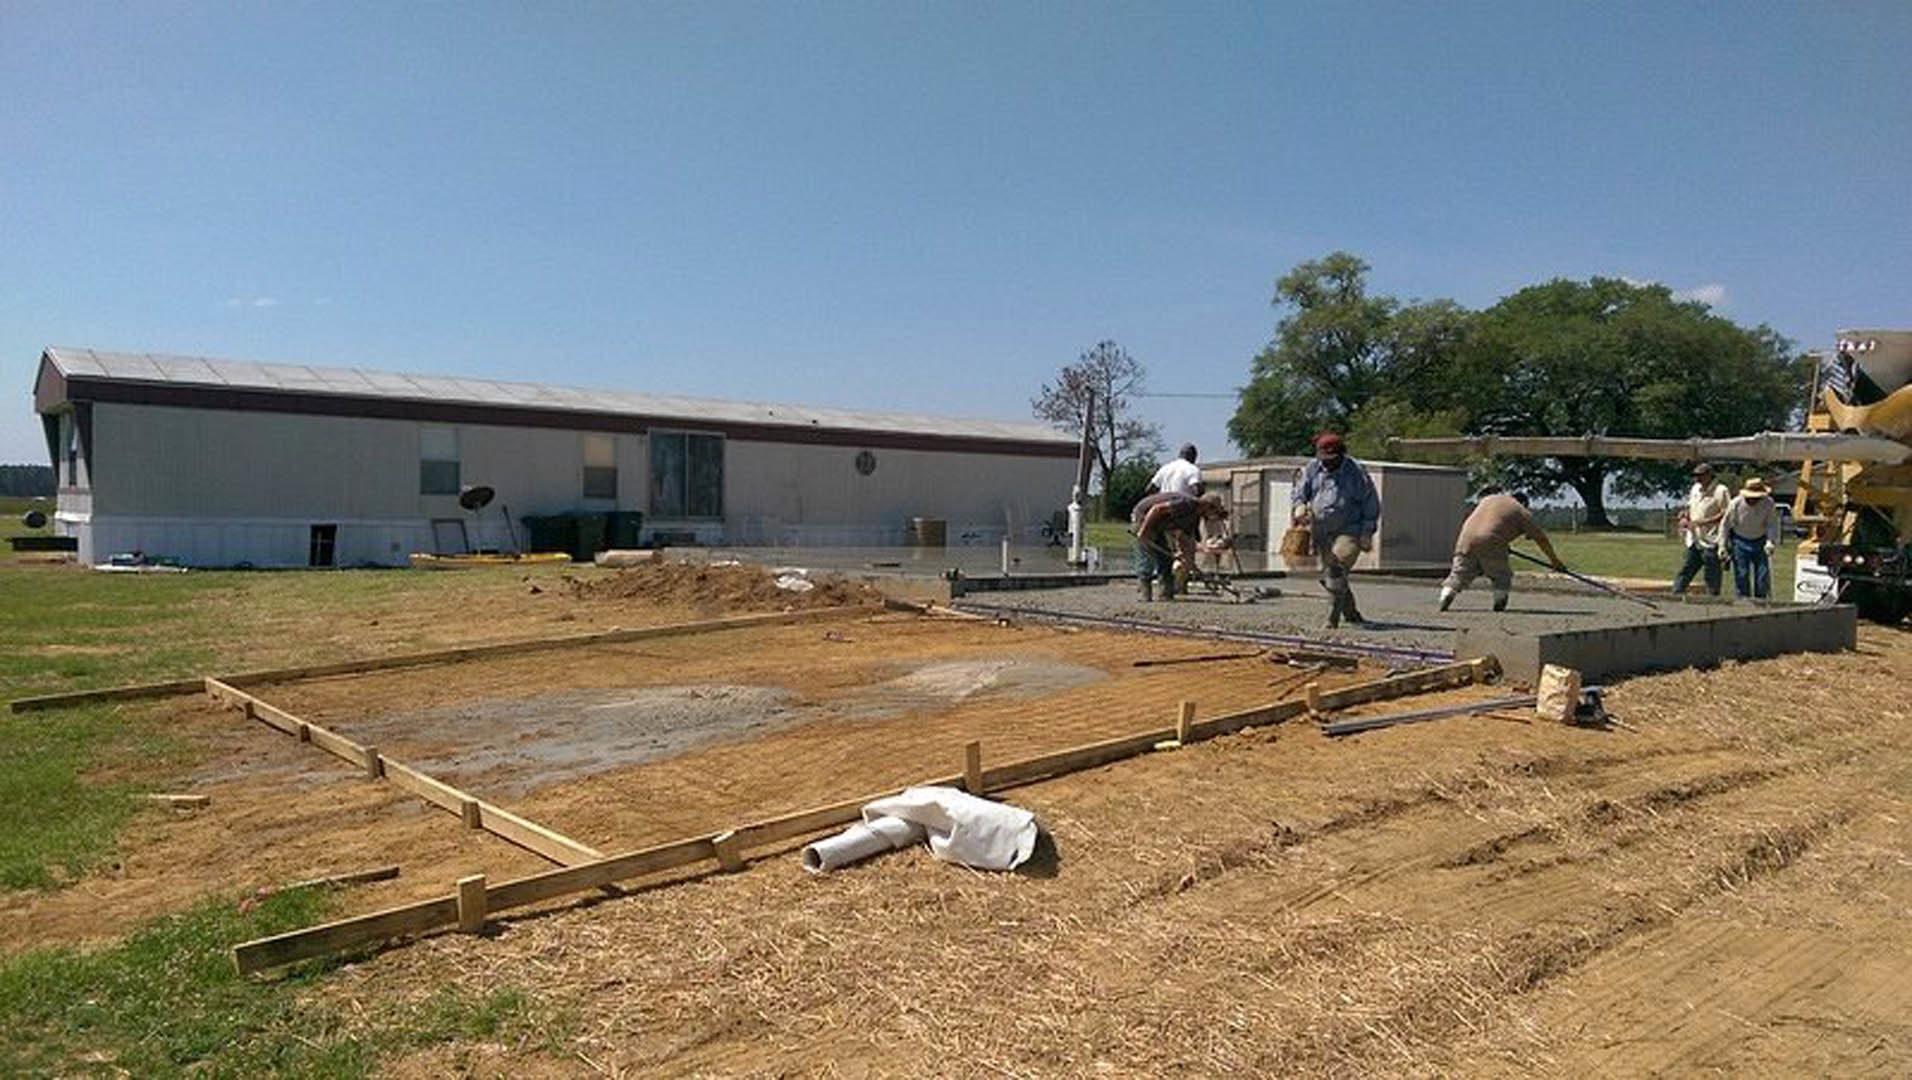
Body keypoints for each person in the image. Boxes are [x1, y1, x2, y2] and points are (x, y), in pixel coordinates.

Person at [1291, 432, 1380, 627]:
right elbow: (1300, 492)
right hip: (1321, 531)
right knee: (1332, 575)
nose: (1329, 463)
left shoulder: (1357, 472)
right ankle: (1350, 612)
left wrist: (1367, 532)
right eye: (1325, 459)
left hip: (1349, 529)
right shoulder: (1312, 469)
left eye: (1334, 459)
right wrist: (1299, 505)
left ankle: (1332, 618)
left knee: (1335, 570)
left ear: (1342, 455)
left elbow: (1370, 503)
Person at [1438, 491, 1566, 612]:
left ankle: (1447, 593)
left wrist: (1501, 545)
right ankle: (1499, 602)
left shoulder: (1488, 500)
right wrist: (1554, 560)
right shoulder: (1521, 510)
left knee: (1460, 573)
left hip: (1465, 540)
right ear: (1524, 504)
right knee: (1501, 576)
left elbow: (1491, 523)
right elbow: (1541, 539)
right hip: (1492, 540)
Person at [1131, 491, 1229, 601]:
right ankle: (1145, 594)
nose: (1212, 516)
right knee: (1146, 556)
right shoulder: (1187, 504)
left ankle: (1165, 594)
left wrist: (1188, 562)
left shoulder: (1194, 517)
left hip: (1159, 524)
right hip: (1144, 516)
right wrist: (1143, 532)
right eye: (1213, 511)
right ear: (1206, 505)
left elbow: (1185, 539)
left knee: (1165, 559)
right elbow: (1156, 509)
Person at [1719, 475, 1781, 600]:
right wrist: (1722, 545)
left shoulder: (1768, 503)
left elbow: (1771, 524)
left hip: (1760, 541)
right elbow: (1725, 525)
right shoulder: (1735, 503)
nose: (1753, 500)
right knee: (1742, 575)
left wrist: (1770, 541)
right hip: (1740, 541)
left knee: (1762, 577)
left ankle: (1761, 602)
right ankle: (1743, 603)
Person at [1672, 463, 1730, 596]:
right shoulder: (1695, 489)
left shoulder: (1721, 491)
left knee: (1712, 575)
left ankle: (1712, 600)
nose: (1697, 479)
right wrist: (1684, 515)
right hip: (1694, 539)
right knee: (1685, 570)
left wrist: (1703, 522)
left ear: (1710, 475)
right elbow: (1689, 506)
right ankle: (1675, 596)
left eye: (1700, 475)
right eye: (1695, 476)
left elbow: (1725, 514)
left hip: (1711, 540)